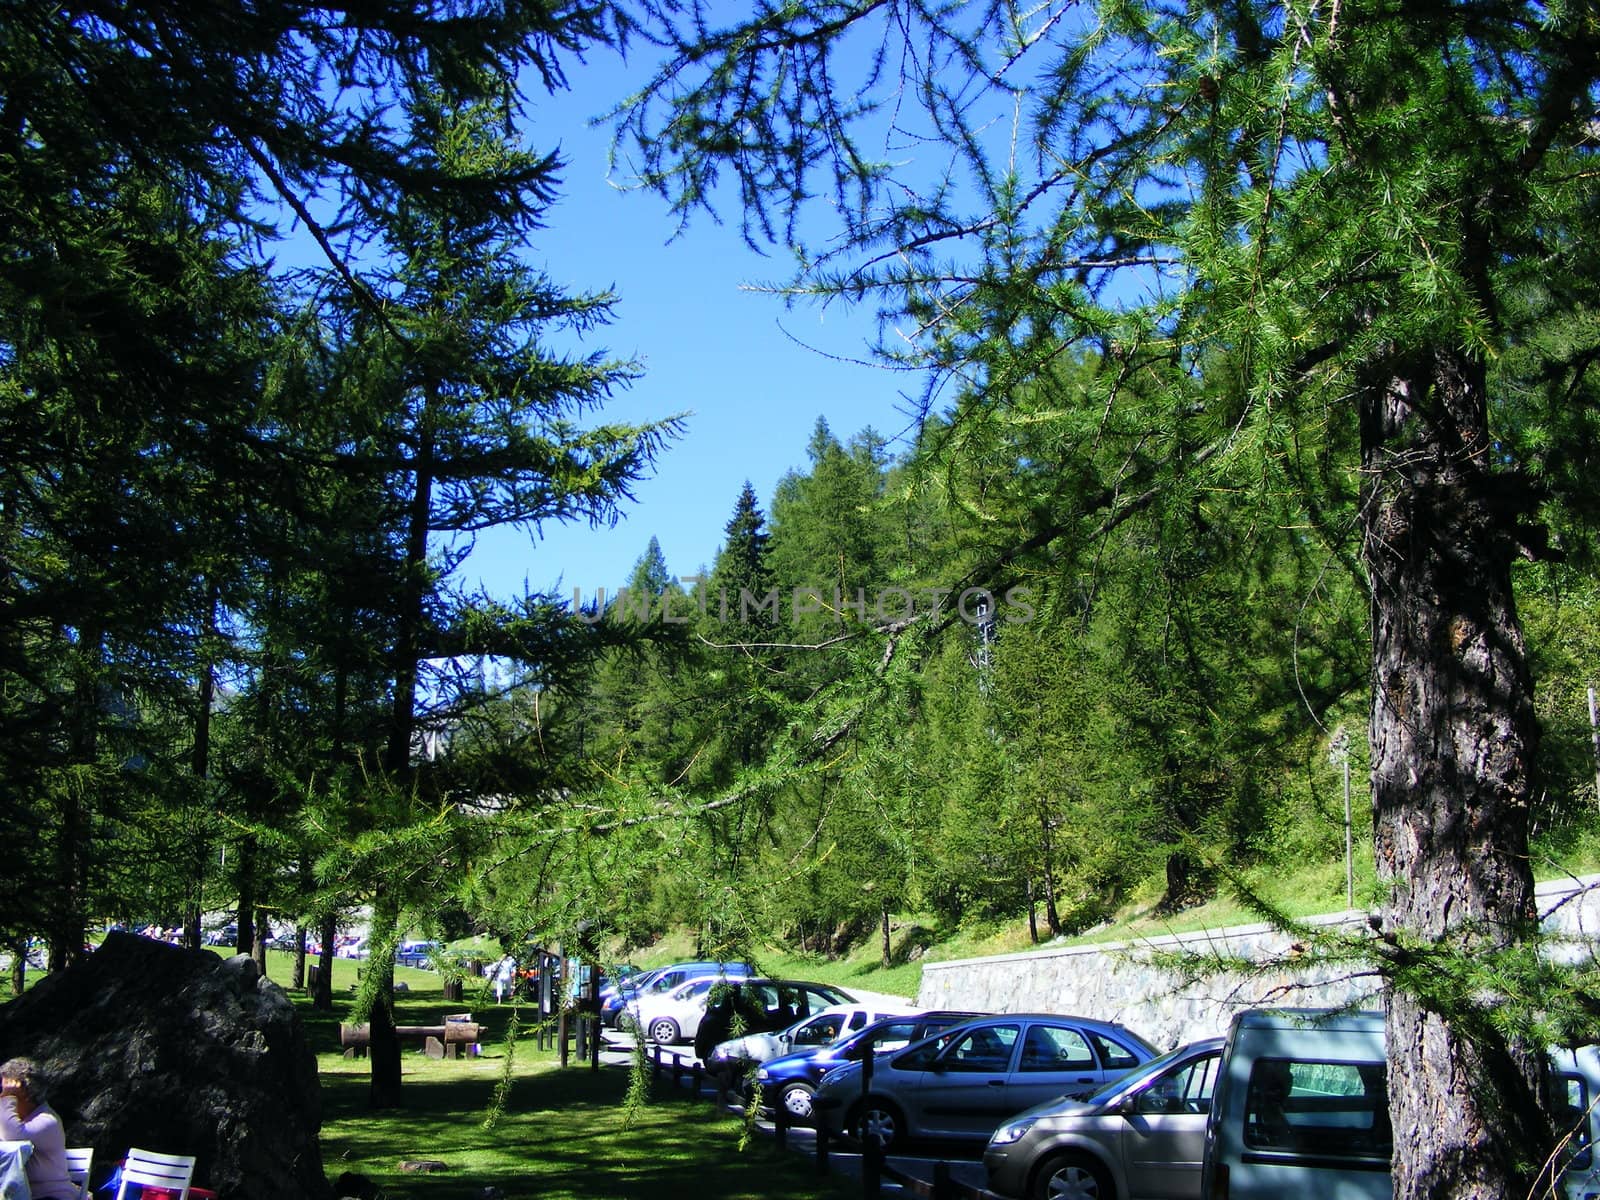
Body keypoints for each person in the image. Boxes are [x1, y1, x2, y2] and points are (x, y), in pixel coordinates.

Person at [0, 1057, 79, 1200]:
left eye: (5, 1091)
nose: (1, 1096)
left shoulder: (47, 1120)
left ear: (23, 1092)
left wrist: (8, 1098)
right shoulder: (15, 1121)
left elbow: (13, 1136)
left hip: (51, 1196)